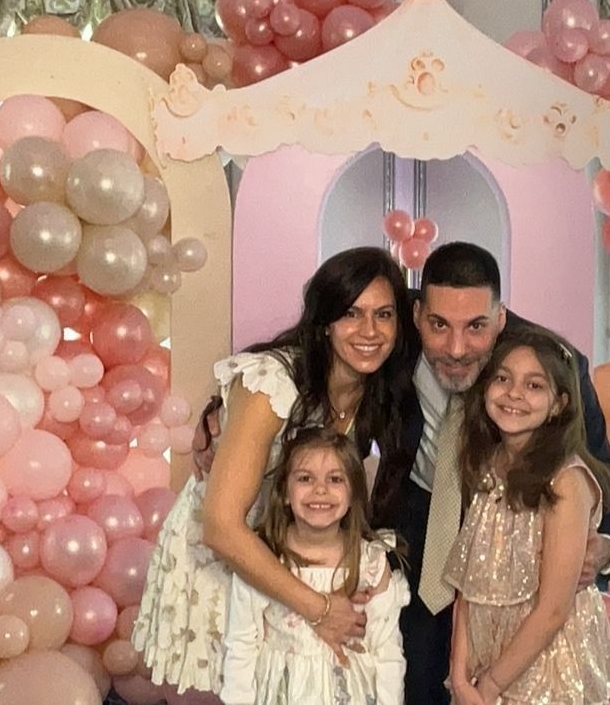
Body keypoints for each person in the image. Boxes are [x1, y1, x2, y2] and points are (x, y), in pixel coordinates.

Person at [133, 247, 416, 695]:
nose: (369, 331)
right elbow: (221, 527)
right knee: (241, 686)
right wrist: (321, 608)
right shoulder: (273, 382)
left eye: (384, 315)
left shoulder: (377, 391)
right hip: (233, 559)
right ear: (324, 321)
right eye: (351, 313)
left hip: (298, 557)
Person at [369, 242, 610, 702]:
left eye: (476, 327)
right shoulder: (384, 339)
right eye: (439, 325)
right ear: (417, 315)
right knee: (413, 679)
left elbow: (599, 469)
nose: (456, 348)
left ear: (500, 318)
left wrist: (606, 546)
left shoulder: (548, 365)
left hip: (522, 557)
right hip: (417, 532)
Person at [446, 326, 610, 704]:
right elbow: (469, 584)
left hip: (545, 668)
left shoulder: (566, 481)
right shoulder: (487, 466)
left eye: (534, 385)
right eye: (503, 379)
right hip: (486, 663)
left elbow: (554, 609)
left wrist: (490, 687)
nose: (514, 393)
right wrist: (459, 676)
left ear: (559, 404)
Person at [222, 427, 409, 704]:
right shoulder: (263, 558)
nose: (320, 489)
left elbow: (387, 652)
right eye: (305, 478)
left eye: (335, 479)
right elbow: (241, 645)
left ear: (353, 494)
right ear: (285, 492)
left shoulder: (370, 562)